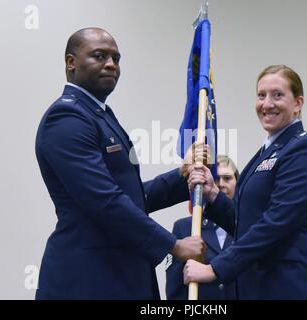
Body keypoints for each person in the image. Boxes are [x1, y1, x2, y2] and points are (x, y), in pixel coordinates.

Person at [35, 27, 207, 300]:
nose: (111, 65)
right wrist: (173, 245)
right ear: (71, 62)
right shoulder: (66, 117)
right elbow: (104, 200)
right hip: (89, 280)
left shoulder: (98, 115)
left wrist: (182, 176)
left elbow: (131, 197)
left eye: (116, 58)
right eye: (99, 56)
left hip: (120, 275)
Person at [184, 65, 307, 300]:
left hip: (291, 288)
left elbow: (275, 223)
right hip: (260, 288)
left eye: (278, 95)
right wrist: (213, 194)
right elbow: (246, 222)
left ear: (298, 103)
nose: (267, 104)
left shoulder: (304, 150)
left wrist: (215, 268)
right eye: (261, 95)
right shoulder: (268, 151)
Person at [166, 155, 239, 300]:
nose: (221, 184)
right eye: (216, 178)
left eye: (227, 178)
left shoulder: (250, 225)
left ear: (238, 183)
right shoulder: (185, 228)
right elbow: (175, 290)